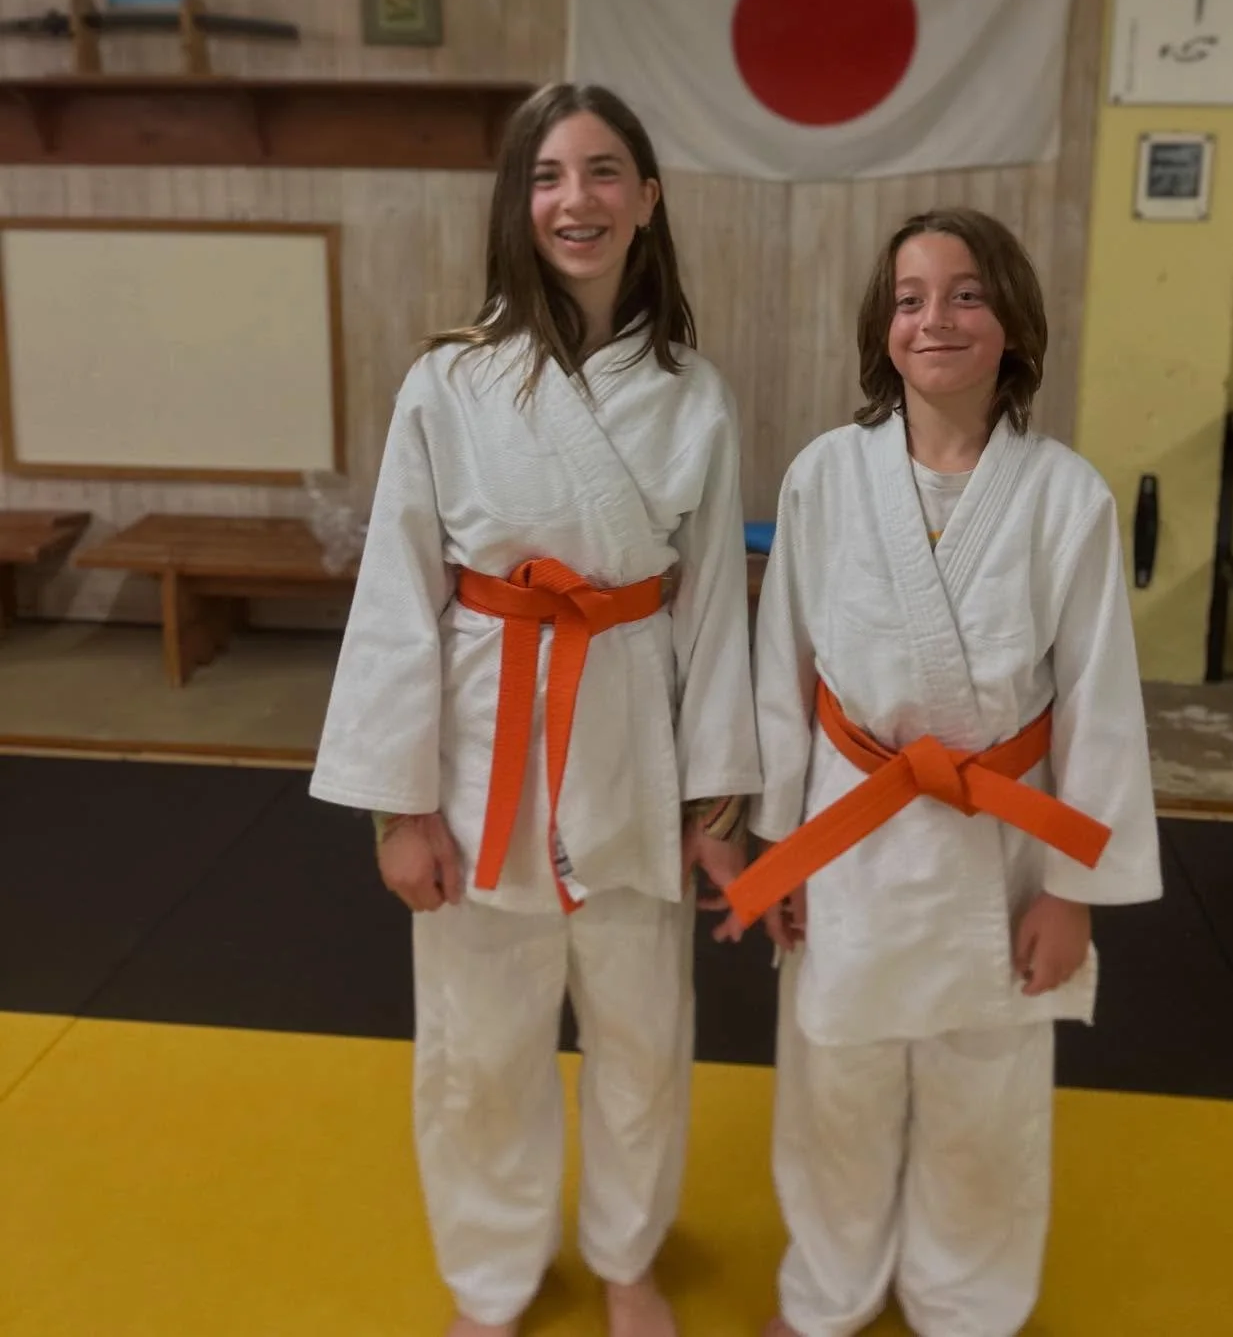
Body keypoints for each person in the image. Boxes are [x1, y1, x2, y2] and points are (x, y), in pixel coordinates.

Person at [311, 82, 760, 1337]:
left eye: (606, 171)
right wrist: (399, 809)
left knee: (641, 1034)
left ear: (648, 200)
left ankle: (627, 1258)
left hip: (630, 740)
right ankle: (492, 1280)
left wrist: (717, 799)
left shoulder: (694, 392)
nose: (579, 199)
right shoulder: (448, 382)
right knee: (479, 1045)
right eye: (551, 175)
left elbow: (717, 600)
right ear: (520, 203)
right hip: (479, 750)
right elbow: (398, 601)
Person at [723, 208, 1162, 1337]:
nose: (938, 318)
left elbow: (1103, 704)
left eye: (967, 293)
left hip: (999, 847)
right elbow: (787, 671)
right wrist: (779, 847)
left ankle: (966, 1304)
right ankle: (827, 1294)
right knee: (837, 1087)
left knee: (985, 1099)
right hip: (851, 832)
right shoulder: (827, 473)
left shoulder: (1067, 496)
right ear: (882, 330)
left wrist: (1074, 893)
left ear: (1012, 321)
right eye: (912, 297)